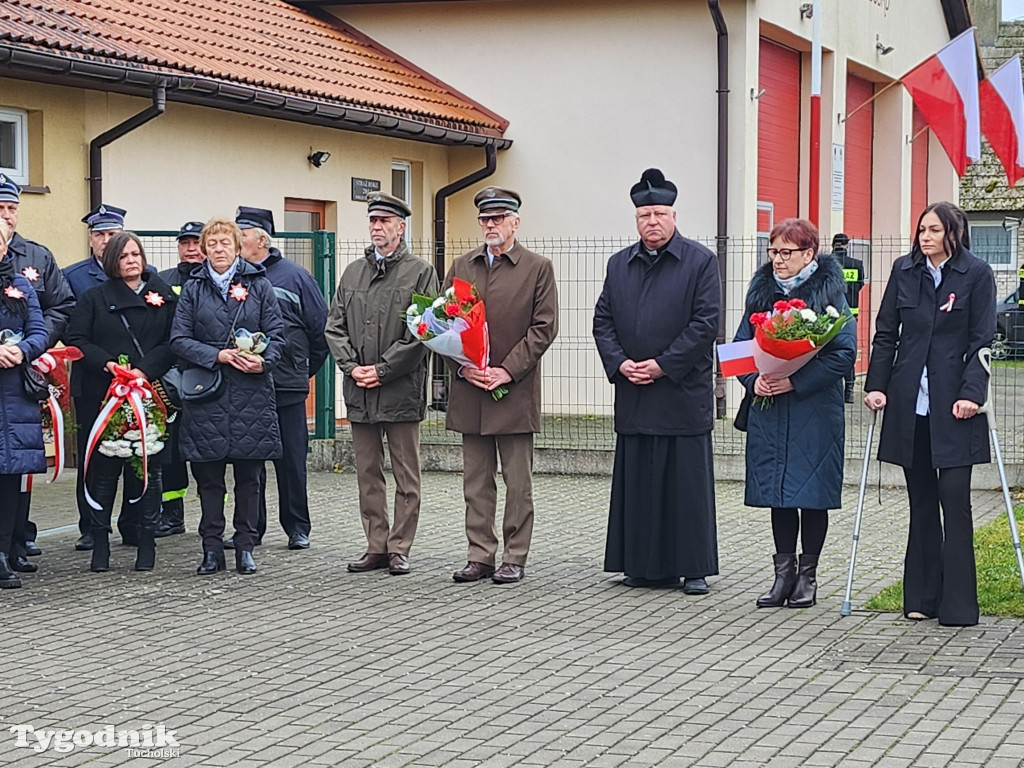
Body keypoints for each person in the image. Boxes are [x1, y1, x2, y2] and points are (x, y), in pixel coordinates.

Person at [864, 201, 996, 627]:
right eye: (922, 229)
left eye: (934, 230)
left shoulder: (976, 274)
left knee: (953, 499)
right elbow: (886, 335)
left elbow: (982, 340)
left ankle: (959, 606)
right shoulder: (905, 271)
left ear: (953, 233)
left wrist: (971, 393)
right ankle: (922, 596)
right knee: (921, 501)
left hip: (956, 405)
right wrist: (877, 386)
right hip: (910, 404)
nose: (925, 236)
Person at [593, 168, 721, 595]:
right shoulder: (619, 264)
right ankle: (643, 566)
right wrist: (620, 363)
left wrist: (663, 365)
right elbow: (603, 320)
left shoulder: (700, 261)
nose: (652, 221)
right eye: (645, 214)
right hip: (635, 395)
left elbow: (705, 324)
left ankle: (693, 567)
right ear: (636, 218)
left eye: (660, 213)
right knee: (640, 483)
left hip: (680, 394)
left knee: (685, 487)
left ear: (674, 215)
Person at [733, 218, 856, 608]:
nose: (777, 260)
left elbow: (843, 353)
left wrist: (795, 382)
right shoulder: (761, 294)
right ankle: (782, 576)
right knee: (779, 494)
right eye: (773, 252)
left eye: (786, 252)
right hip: (770, 409)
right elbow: (739, 349)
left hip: (813, 411)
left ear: (809, 254)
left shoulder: (831, 294)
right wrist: (756, 381)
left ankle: (808, 578)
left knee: (812, 494)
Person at [444, 187, 558, 584]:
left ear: (515, 222)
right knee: (476, 482)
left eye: (498, 218)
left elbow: (544, 329)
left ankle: (515, 555)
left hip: (514, 392)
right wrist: (463, 368)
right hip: (471, 393)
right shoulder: (461, 266)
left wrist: (507, 371)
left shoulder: (536, 268)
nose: (491, 225)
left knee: (517, 483)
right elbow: (441, 327)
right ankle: (480, 555)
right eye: (485, 219)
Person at [325, 192, 438, 575]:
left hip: (400, 391)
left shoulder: (420, 273)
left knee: (407, 475)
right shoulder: (353, 273)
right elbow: (334, 326)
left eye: (385, 222)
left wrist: (384, 369)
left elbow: (424, 334)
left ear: (400, 227)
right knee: (367, 473)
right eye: (373, 221)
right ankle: (376, 545)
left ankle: (400, 547)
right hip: (360, 391)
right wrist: (351, 366)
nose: (377, 228)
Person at [170, 218, 284, 575]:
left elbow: (278, 336)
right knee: (209, 479)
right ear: (204, 249)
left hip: (251, 394)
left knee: (249, 478)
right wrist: (215, 355)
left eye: (226, 243)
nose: (219, 249)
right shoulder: (193, 288)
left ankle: (246, 546)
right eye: (213, 243)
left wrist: (262, 362)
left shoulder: (260, 285)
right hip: (207, 395)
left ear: (238, 247)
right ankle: (211, 549)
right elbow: (178, 339)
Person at [65, 232, 178, 572]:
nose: (132, 260)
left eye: (136, 254)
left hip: (147, 391)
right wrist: (110, 366)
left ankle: (145, 543)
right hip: (104, 394)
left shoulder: (163, 296)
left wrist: (143, 371)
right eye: (124, 255)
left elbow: (172, 341)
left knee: (148, 470)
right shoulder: (94, 298)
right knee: (104, 472)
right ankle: (100, 544)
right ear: (111, 260)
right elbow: (77, 339)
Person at [234, 206, 328, 551]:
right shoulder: (235, 277)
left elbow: (321, 334)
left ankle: (297, 527)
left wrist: (300, 370)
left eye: (241, 234)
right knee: (249, 463)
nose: (235, 240)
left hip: (287, 386)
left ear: (261, 238)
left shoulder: (295, 277)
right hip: (246, 387)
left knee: (291, 461)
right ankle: (250, 529)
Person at [0, 174, 76, 561]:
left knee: (21, 460)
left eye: (12, 208)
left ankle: (18, 540)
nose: (7, 216)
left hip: (22, 371)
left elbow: (61, 305)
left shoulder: (36, 255)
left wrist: (32, 346)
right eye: (0, 208)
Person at [64, 203, 133, 551]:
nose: (106, 240)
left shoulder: (141, 276)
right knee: (92, 456)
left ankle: (133, 523)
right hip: (92, 382)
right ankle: (92, 526)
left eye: (112, 233)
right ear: (90, 240)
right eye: (99, 234)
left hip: (135, 383)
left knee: (136, 451)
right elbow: (69, 331)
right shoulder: (73, 277)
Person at [0, 220, 48, 589]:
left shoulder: (20, 285)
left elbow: (40, 330)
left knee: (11, 476)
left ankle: (5, 549)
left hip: (15, 392)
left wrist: (22, 349)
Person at [152, 220, 207, 539]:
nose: (190, 248)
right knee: (170, 453)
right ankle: (172, 515)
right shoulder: (162, 281)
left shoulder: (216, 281)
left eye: (196, 243)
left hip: (205, 377)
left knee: (206, 453)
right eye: (184, 243)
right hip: (169, 381)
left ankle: (211, 517)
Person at [832, 233, 864, 404]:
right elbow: (859, 286)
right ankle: (849, 390)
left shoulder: (826, 263)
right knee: (847, 350)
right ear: (847, 245)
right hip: (851, 314)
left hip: (829, 315)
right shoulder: (856, 264)